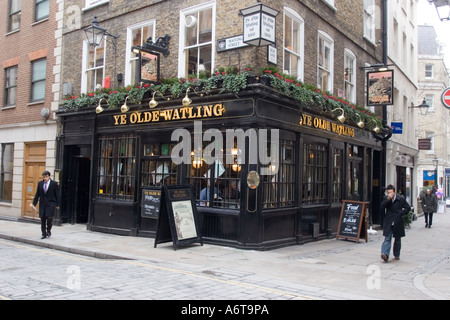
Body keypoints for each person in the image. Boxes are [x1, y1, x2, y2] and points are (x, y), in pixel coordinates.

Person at [380, 184, 411, 262]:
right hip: (389, 221)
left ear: (394, 192)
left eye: (391, 192)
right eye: (388, 192)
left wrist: (401, 213)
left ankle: (396, 254)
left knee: (397, 239)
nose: (389, 194)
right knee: (387, 238)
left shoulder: (400, 199)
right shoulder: (386, 198)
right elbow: (382, 206)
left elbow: (408, 208)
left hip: (397, 221)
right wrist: (388, 199)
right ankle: (385, 254)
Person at [31, 171, 60, 239]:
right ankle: (43, 234)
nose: (45, 178)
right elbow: (37, 194)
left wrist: (57, 204)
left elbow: (57, 195)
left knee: (49, 218)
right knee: (43, 219)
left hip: (51, 204)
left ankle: (48, 230)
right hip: (42, 204)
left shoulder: (54, 184)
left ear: (49, 176)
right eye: (44, 177)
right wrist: (34, 203)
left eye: (46, 177)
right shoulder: (40, 183)